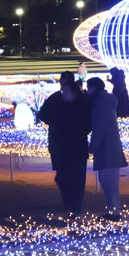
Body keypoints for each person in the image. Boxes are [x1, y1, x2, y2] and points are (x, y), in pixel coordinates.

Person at [37, 72, 91, 213]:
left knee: (76, 179)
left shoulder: (82, 105)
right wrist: (56, 122)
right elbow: (43, 114)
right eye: (63, 87)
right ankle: (68, 202)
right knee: (62, 177)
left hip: (76, 149)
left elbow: (87, 125)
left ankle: (75, 206)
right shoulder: (56, 99)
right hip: (60, 146)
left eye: (67, 88)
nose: (64, 91)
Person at [85, 77, 127, 219]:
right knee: (108, 180)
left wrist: (92, 147)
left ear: (94, 88)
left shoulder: (101, 103)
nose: (87, 91)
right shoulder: (103, 101)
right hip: (108, 146)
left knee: (110, 181)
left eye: (89, 87)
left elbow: (99, 127)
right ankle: (113, 210)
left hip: (107, 148)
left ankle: (115, 211)